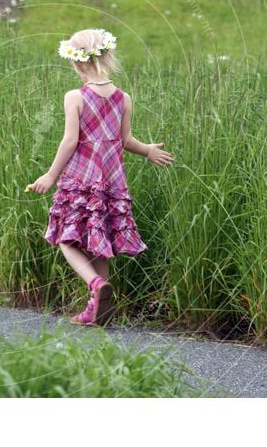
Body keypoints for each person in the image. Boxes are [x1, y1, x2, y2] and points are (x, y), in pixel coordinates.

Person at [25, 28, 173, 327]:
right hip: (112, 181)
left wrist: (50, 175)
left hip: (81, 177)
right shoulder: (124, 98)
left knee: (66, 239)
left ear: (78, 64)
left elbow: (70, 141)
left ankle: (94, 284)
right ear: (108, 56)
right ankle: (97, 309)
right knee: (99, 242)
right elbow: (125, 139)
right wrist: (147, 151)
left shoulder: (75, 97)